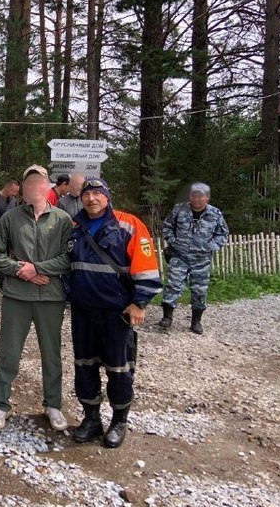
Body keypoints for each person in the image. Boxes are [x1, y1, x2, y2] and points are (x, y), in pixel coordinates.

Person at [67, 177, 162, 448]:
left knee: (119, 369)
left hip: (116, 313)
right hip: (83, 311)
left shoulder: (129, 225)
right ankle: (91, 418)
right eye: (87, 194)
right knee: (84, 366)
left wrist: (140, 302)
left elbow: (146, 267)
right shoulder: (75, 227)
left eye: (97, 194)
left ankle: (119, 421)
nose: (91, 199)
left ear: (107, 197)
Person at [0, 165, 73, 432]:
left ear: (47, 187)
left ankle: (53, 405)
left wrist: (38, 269)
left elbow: (68, 257)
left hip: (51, 297)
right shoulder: (10, 219)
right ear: (23, 189)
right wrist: (21, 272)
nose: (35, 187)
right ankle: (1, 405)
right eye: (30, 182)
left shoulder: (62, 220)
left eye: (40, 182)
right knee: (9, 353)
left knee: (51, 354)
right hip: (17, 296)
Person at [159, 182, 229, 335]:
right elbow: (167, 227)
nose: (196, 199)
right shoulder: (179, 210)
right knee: (173, 285)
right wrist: (173, 241)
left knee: (199, 290)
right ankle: (167, 317)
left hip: (201, 259)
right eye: (193, 195)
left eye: (200, 196)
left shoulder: (215, 214)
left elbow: (222, 234)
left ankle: (196, 321)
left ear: (207, 197)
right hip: (179, 255)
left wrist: (210, 246)